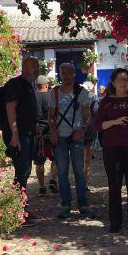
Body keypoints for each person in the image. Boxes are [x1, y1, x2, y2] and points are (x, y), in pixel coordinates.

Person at [95, 68, 128, 233]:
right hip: (112, 148)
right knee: (115, 185)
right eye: (120, 79)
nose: (124, 82)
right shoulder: (106, 102)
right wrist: (115, 121)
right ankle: (115, 222)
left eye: (126, 79)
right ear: (113, 82)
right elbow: (99, 125)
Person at [49, 63, 94, 218]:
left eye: (69, 72)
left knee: (79, 172)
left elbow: (87, 115)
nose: (66, 75)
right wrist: (53, 131)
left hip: (76, 137)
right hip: (60, 137)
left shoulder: (82, 92)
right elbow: (51, 115)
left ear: (74, 74)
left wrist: (81, 130)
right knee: (62, 172)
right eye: (63, 73)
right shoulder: (54, 92)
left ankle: (82, 204)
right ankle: (66, 204)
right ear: (60, 74)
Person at [3, 56, 39, 197]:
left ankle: (20, 208)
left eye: (37, 66)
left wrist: (35, 126)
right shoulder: (15, 84)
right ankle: (18, 209)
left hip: (27, 134)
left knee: (25, 170)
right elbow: (10, 108)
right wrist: (15, 133)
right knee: (22, 170)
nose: (37, 69)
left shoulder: (29, 86)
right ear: (24, 68)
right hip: (18, 135)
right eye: (33, 66)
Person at [34, 74, 58, 195]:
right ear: (47, 85)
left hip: (38, 133)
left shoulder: (32, 97)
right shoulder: (51, 96)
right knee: (55, 158)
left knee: (39, 162)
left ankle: (41, 187)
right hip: (51, 130)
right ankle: (53, 180)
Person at [82, 81, 98, 185]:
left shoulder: (78, 96)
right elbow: (98, 112)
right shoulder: (94, 98)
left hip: (78, 129)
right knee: (87, 159)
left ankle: (80, 181)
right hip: (90, 130)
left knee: (78, 158)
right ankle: (85, 183)